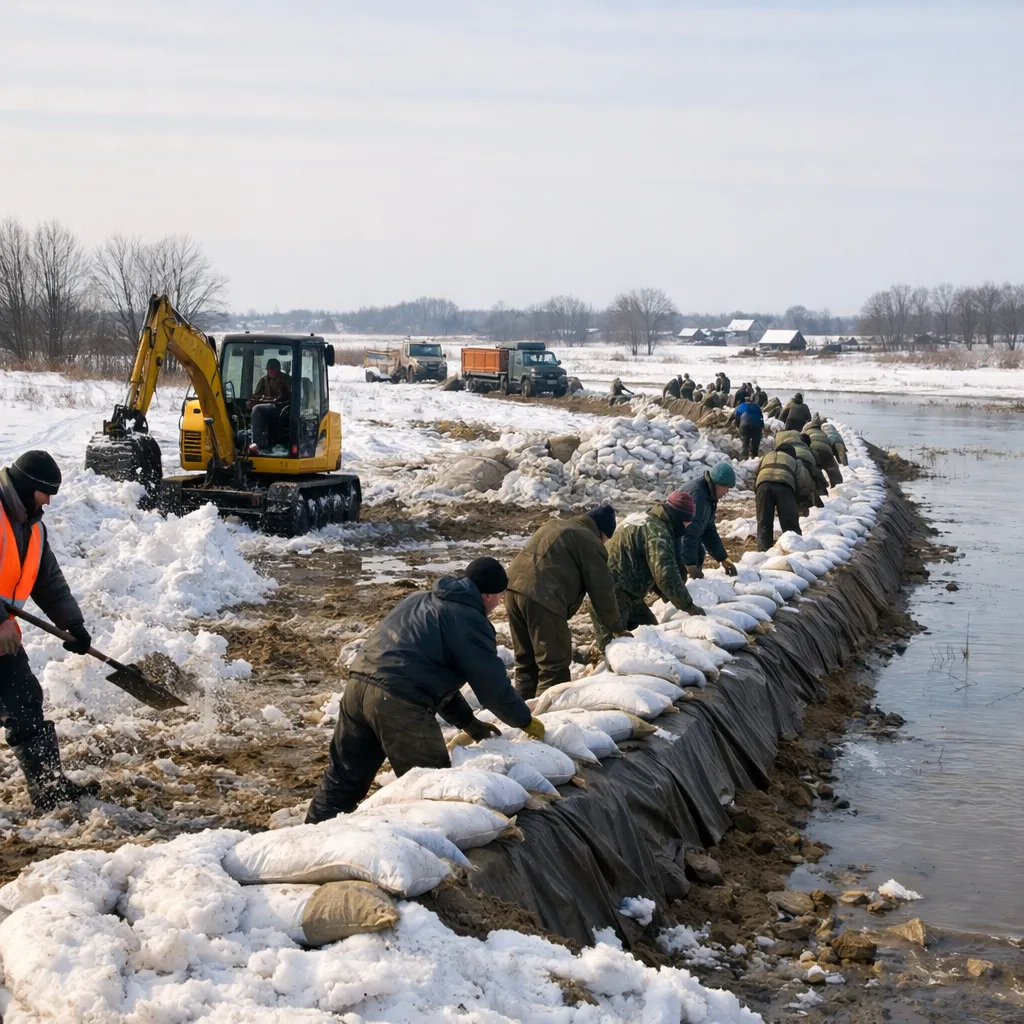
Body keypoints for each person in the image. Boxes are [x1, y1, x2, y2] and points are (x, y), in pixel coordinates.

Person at [305, 557, 542, 823]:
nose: (499, 603)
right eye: (498, 596)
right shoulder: (469, 620)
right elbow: (493, 688)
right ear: (487, 594)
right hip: (399, 702)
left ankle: (306, 838)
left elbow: (429, 674)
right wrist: (525, 721)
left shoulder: (419, 600)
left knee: (343, 781)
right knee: (435, 789)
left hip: (357, 689)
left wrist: (469, 723)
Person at [0, 451, 99, 811]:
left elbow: (49, 582)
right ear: (28, 487)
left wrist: (72, 623)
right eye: (46, 492)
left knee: (25, 701)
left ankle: (49, 789)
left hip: (3, 637)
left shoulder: (33, 527)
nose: (50, 501)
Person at [505, 506, 623, 699]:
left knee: (526, 662)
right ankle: (548, 721)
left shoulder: (555, 524)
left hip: (512, 589)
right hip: (543, 597)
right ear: (602, 532)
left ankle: (521, 715)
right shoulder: (589, 540)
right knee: (554, 664)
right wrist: (616, 627)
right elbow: (602, 590)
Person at [592, 492, 706, 650]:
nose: (689, 525)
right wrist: (688, 606)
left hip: (629, 593)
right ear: (681, 518)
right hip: (610, 595)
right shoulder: (657, 533)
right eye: (688, 521)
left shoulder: (650, 521)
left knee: (652, 633)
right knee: (614, 647)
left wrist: (663, 594)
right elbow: (665, 573)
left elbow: (645, 564)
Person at [681, 463, 738, 579]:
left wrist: (723, 558)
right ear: (717, 484)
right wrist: (689, 564)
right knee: (678, 571)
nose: (726, 492)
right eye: (725, 488)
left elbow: (708, 529)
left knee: (699, 553)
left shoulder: (709, 496)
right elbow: (689, 530)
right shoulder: (698, 495)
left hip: (684, 539)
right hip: (671, 540)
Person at [754, 443, 809, 551]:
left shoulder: (767, 456)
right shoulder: (795, 461)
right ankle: (794, 550)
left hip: (763, 486)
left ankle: (763, 552)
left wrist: (758, 493)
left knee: (763, 522)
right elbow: (802, 482)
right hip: (784, 487)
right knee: (790, 524)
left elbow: (756, 474)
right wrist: (800, 502)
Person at [248, 358, 293, 451]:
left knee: (257, 409)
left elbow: (292, 395)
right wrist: (252, 401)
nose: (271, 371)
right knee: (255, 409)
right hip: (268, 406)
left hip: (284, 407)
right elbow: (256, 395)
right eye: (269, 369)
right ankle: (255, 441)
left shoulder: (286, 379)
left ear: (278, 369)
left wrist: (281, 397)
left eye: (274, 369)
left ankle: (256, 442)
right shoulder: (264, 380)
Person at [773, 432, 827, 509]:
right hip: (807, 461)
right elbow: (817, 466)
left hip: (789, 462)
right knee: (809, 481)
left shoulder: (783, 445)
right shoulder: (805, 446)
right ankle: (816, 502)